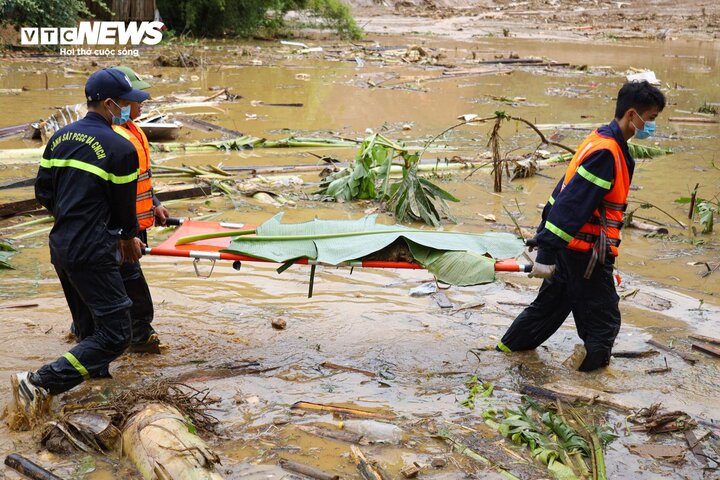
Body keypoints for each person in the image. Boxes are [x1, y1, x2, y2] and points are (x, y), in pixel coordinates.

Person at [496, 81, 666, 372]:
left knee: (546, 311)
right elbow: (571, 205)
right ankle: (591, 391)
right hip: (585, 255)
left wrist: (546, 242)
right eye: (650, 119)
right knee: (604, 324)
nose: (651, 126)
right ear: (632, 114)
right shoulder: (606, 152)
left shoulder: (599, 140)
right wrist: (547, 252)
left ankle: (503, 355)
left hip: (570, 249)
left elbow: (561, 193)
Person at [11, 68, 149, 424]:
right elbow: (123, 208)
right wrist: (127, 238)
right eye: (125, 102)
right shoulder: (121, 147)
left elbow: (43, 192)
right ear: (108, 103)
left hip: (62, 245)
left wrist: (73, 216)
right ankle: (39, 382)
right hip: (93, 249)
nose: (129, 108)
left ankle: (96, 394)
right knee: (117, 334)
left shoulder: (59, 138)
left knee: (89, 328)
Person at [68, 66, 168, 353]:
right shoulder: (106, 138)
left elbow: (138, 178)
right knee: (125, 283)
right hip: (115, 228)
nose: (140, 105)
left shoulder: (130, 130)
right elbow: (101, 192)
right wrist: (120, 235)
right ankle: (133, 336)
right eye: (134, 100)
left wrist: (155, 203)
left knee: (113, 283)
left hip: (131, 223)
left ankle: (91, 331)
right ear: (115, 103)